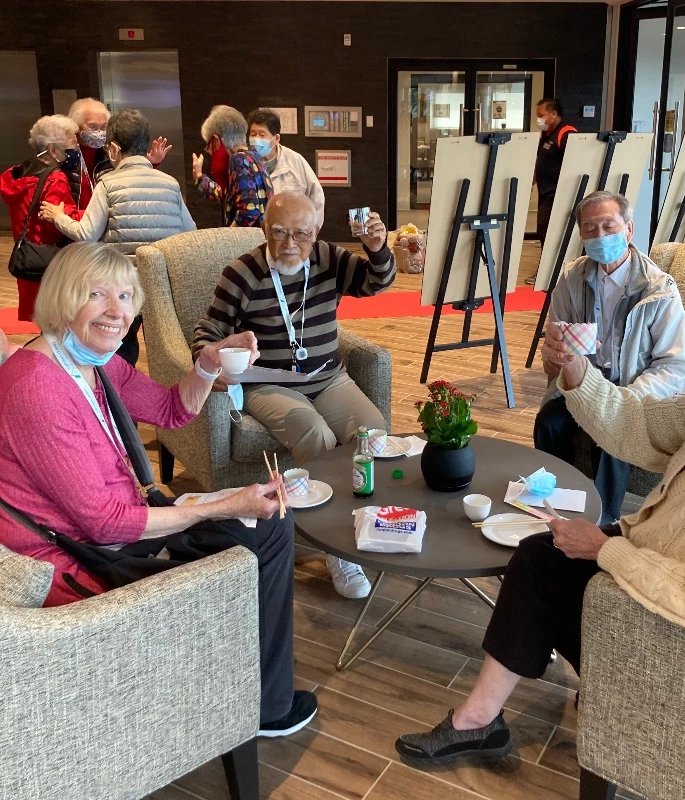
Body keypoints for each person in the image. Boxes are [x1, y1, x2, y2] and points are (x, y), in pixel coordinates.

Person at [396, 264, 685, 764]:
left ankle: (600, 692)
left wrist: (606, 549)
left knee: (550, 571)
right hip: (652, 560)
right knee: (540, 555)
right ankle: (485, 718)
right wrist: (577, 374)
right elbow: (637, 424)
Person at [0, 241, 316, 738]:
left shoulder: (92, 362)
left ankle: (250, 688)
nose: (116, 312)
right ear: (63, 298)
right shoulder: (37, 387)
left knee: (264, 525)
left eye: (126, 296)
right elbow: (101, 522)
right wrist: (219, 504)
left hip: (120, 525)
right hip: (82, 558)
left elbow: (171, 409)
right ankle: (259, 703)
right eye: (97, 295)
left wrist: (209, 362)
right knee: (257, 527)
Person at [192, 192, 394, 599]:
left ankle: (363, 516)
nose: (289, 244)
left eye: (300, 234)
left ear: (315, 231)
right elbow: (207, 333)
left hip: (328, 377)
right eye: (279, 232)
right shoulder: (242, 273)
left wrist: (377, 248)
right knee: (314, 433)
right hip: (269, 383)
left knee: (373, 432)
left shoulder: (329, 258)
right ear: (264, 229)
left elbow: (376, 282)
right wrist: (213, 357)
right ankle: (335, 547)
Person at [534, 190, 685, 524]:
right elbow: (557, 349)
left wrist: (625, 400)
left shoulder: (658, 288)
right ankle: (549, 508)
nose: (600, 236)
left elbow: (673, 365)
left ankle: (603, 522)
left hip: (631, 391)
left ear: (628, 230)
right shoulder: (571, 279)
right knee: (549, 421)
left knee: (611, 430)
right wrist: (555, 356)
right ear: (581, 235)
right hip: (582, 385)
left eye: (608, 225)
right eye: (590, 229)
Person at [40, 108, 196, 367]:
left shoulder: (108, 184)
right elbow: (190, 233)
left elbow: (86, 234)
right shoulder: (170, 183)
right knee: (165, 344)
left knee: (123, 343)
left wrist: (58, 216)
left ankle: (122, 389)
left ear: (112, 148)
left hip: (125, 284)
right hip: (164, 281)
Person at [0, 114, 83, 321]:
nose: (76, 151)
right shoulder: (55, 179)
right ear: (54, 150)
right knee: (58, 319)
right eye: (72, 145)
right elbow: (59, 222)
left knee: (41, 318)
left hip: (28, 257)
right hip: (51, 261)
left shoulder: (17, 173)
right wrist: (85, 214)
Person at [65, 97, 172, 210]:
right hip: (78, 222)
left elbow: (133, 185)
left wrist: (152, 164)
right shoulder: (66, 157)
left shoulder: (113, 153)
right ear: (77, 126)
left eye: (103, 127)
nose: (99, 132)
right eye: (93, 127)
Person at [524, 98, 576, 285]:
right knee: (544, 232)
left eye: (541, 115)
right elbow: (541, 163)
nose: (539, 120)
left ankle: (547, 273)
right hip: (545, 193)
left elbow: (576, 163)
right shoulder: (546, 135)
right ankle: (548, 271)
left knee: (550, 232)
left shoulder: (566, 133)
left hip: (558, 195)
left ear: (553, 114)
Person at [247, 107, 325, 230]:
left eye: (262, 134)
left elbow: (316, 196)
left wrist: (312, 231)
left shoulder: (295, 161)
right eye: (253, 134)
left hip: (292, 233)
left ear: (276, 138)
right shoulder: (245, 162)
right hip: (256, 234)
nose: (256, 139)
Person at [192, 105, 271, 227]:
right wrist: (199, 177)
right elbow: (227, 194)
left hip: (251, 243)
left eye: (208, 145)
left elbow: (249, 212)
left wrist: (228, 239)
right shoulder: (252, 156)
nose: (208, 152)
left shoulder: (238, 159)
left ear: (216, 141)